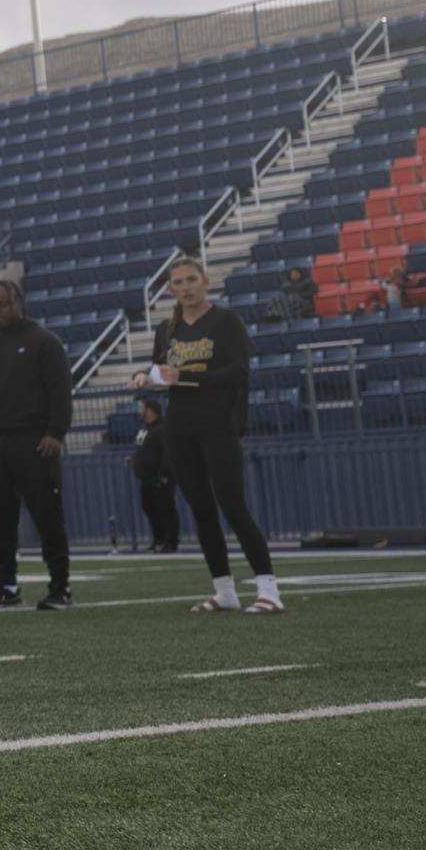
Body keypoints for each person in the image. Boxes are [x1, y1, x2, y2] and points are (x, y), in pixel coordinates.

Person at [133, 256, 281, 612]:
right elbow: (161, 372)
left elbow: (238, 372)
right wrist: (144, 377)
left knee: (232, 505)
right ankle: (225, 592)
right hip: (180, 428)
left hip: (219, 424)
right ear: (170, 289)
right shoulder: (166, 330)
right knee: (200, 509)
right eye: (178, 283)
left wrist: (187, 378)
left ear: (205, 280)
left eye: (191, 280)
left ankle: (269, 591)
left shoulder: (226, 321)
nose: (185, 288)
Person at [0, 280, 73, 610]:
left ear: (17, 302)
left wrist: (55, 432)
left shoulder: (43, 342)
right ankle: (6, 586)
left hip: (33, 439)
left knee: (47, 516)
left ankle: (60, 587)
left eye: (1, 305)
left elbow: (60, 391)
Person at [128, 396, 178, 553]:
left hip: (160, 478)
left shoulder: (162, 428)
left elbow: (168, 453)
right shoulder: (144, 429)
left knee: (166, 509)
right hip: (147, 478)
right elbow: (142, 449)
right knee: (150, 509)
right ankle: (158, 540)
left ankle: (171, 542)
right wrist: (134, 459)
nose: (140, 411)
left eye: (142, 408)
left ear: (150, 410)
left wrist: (163, 475)